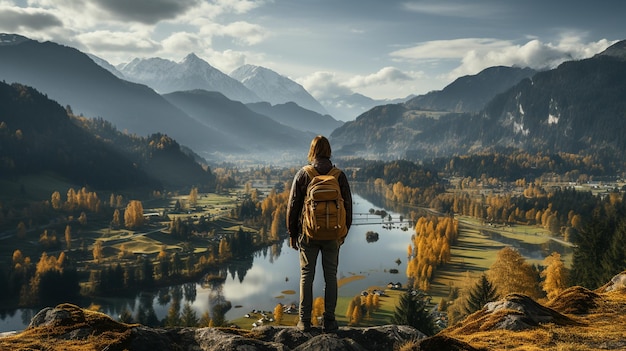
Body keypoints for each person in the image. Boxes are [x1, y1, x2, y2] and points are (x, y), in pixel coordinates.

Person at [286, 135, 352, 332]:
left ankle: (304, 321)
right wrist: (343, 232)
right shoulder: (338, 175)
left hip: (309, 234)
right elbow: (347, 207)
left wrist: (292, 233)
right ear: (329, 151)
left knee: (307, 275)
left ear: (312, 151)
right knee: (330, 276)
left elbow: (293, 206)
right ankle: (330, 321)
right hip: (333, 235)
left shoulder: (304, 174)